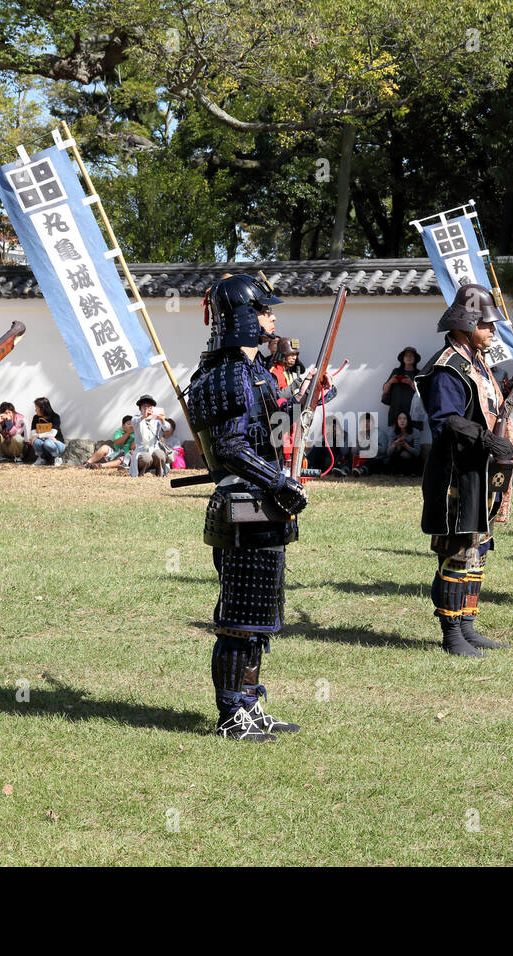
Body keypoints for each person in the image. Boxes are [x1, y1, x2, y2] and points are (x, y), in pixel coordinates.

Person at [186, 273, 313, 741]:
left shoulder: (255, 370)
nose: (272, 317)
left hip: (263, 505)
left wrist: (301, 405)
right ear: (243, 317)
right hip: (243, 503)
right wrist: (279, 479)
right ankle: (230, 714)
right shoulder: (227, 373)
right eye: (264, 310)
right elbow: (233, 447)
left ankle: (252, 704)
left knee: (260, 617)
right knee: (240, 620)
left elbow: (271, 433)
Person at [418, 283, 513, 655]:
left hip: (482, 472)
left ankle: (467, 625)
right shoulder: (447, 368)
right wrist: (486, 440)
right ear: (466, 324)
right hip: (457, 474)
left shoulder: (477, 362)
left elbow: (488, 403)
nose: (492, 332)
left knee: (479, 547)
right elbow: (446, 420)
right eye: (486, 325)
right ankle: (451, 635)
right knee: (458, 550)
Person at [130, 394, 176, 477]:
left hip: (155, 449)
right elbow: (133, 422)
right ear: (140, 408)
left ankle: (160, 474)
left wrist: (162, 420)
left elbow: (167, 428)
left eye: (150, 406)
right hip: (141, 452)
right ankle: (142, 474)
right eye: (144, 406)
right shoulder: (137, 419)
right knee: (146, 458)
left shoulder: (156, 420)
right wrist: (143, 417)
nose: (147, 408)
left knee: (160, 454)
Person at [382, 347, 421, 427]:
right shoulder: (396, 371)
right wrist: (390, 382)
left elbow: (422, 392)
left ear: (415, 359)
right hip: (396, 411)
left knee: (414, 438)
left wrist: (410, 383)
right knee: (395, 437)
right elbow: (385, 390)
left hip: (413, 413)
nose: (409, 357)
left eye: (411, 356)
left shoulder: (419, 373)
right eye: (406, 355)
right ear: (403, 358)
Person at [385, 410, 423, 476]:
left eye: (405, 419)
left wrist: (406, 445)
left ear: (408, 421)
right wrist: (394, 444)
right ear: (397, 421)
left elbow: (417, 453)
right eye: (399, 419)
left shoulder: (415, 432)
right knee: (395, 456)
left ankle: (411, 472)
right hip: (397, 458)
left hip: (412, 458)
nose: (402, 421)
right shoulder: (393, 432)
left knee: (406, 454)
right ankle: (399, 472)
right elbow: (388, 453)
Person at [30, 396, 65, 466]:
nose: (35, 410)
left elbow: (53, 433)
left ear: (42, 409)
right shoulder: (36, 417)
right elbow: (33, 432)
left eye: (37, 408)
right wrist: (43, 436)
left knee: (48, 442)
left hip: (57, 443)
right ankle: (42, 458)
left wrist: (38, 435)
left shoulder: (55, 417)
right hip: (43, 442)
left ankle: (57, 457)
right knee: (36, 441)